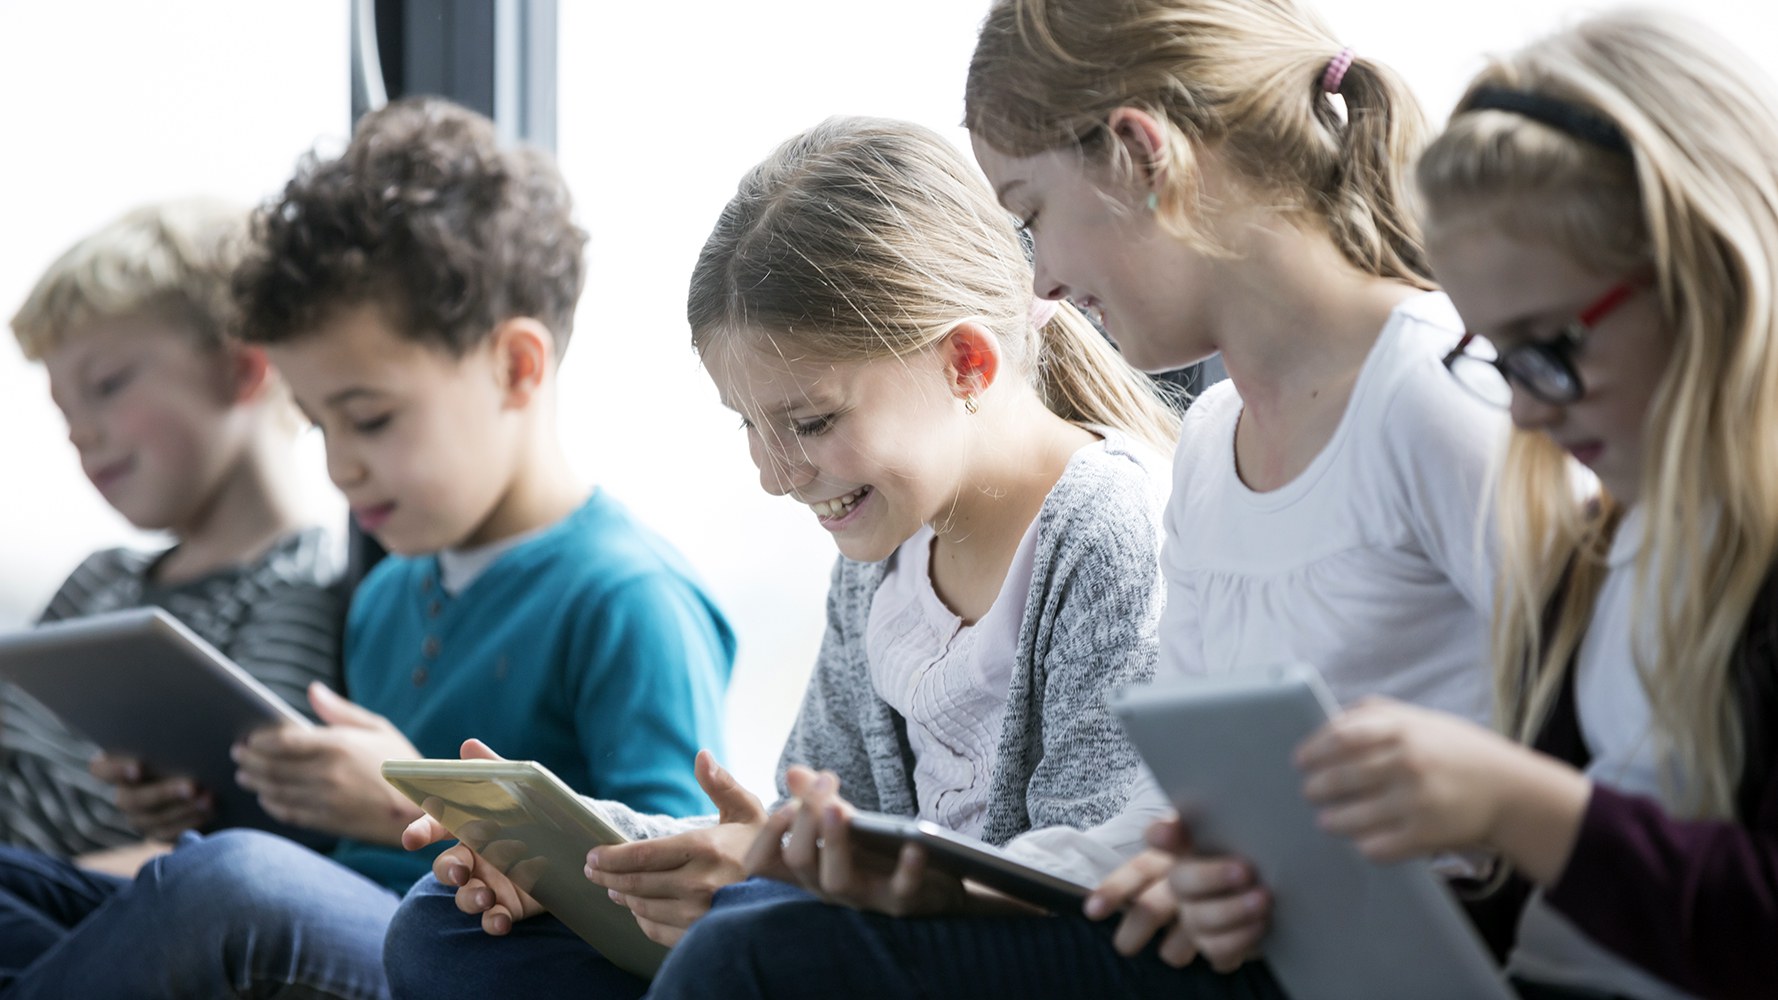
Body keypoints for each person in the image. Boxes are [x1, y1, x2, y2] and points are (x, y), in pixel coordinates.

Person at [640, 0, 1511, 995]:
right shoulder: (1214, 443)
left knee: (755, 955)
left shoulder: (1436, 400)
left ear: (1141, 158)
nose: (1041, 284)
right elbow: (1162, 821)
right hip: (1249, 951)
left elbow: (1594, 777)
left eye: (1031, 213)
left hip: (1369, 969)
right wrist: (924, 878)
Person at [382, 115, 1182, 1000]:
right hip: (870, 941)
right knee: (443, 926)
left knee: (751, 948)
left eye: (810, 423)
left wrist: (773, 885)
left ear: (965, 361)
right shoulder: (884, 552)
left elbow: (1079, 888)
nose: (774, 476)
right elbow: (814, 835)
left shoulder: (1108, 529)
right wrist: (583, 848)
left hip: (1012, 961)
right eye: (750, 427)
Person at [0, 96, 734, 1000]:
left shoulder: (627, 594)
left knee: (228, 885)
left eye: (372, 420)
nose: (343, 468)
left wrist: (407, 811)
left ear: (516, 367)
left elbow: (676, 899)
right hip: (351, 924)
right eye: (318, 428)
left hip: (465, 962)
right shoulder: (387, 592)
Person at [1273, 10, 1778, 998]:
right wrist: (1286, 895)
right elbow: (1532, 918)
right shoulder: (1597, 557)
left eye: (1548, 346)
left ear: (1712, 274)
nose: (1526, 410)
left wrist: (1521, 808)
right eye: (1498, 361)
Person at [2, 198, 343, 877]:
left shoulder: (299, 590)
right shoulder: (99, 580)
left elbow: (243, 851)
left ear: (243, 368)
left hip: (66, 898)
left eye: (106, 385)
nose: (80, 432)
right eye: (64, 411)